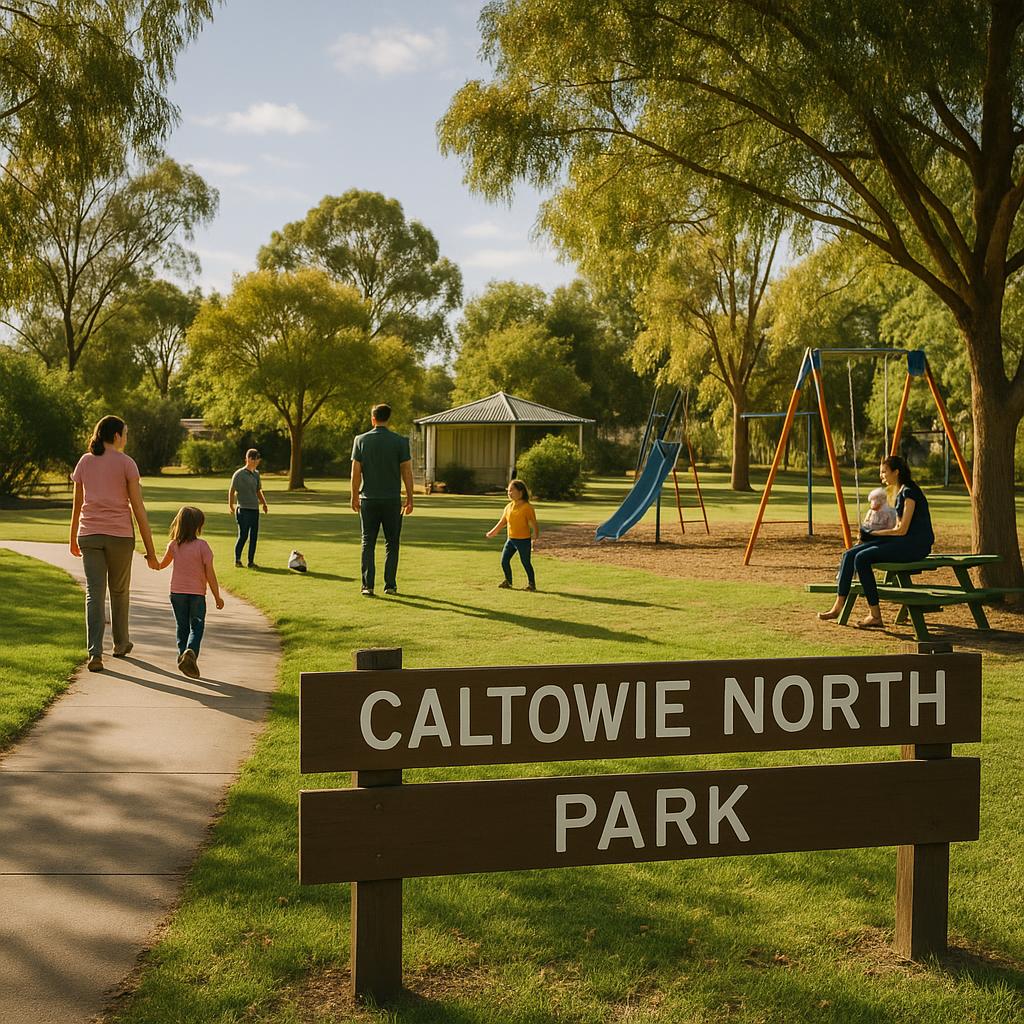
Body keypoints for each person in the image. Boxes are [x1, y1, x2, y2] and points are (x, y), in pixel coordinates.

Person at [69, 415, 159, 672]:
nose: (126, 438)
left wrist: (72, 536)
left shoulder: (85, 462)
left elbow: (77, 505)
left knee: (94, 594)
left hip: (90, 535)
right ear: (116, 436)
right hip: (120, 536)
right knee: (119, 591)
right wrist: (150, 551)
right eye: (125, 434)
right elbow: (139, 509)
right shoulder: (126, 463)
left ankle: (95, 654)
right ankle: (120, 644)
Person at [818, 455, 934, 628]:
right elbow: (897, 527)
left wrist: (873, 535)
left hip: (915, 545)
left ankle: (875, 615)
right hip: (903, 541)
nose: (882, 476)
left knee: (862, 558)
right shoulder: (900, 491)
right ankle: (837, 607)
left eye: (884, 472)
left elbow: (902, 530)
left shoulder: (910, 493)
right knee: (849, 554)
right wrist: (870, 535)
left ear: (896, 472)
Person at [350, 403, 414, 596]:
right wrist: (410, 498)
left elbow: (355, 472)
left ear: (373, 418)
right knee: (392, 543)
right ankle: (390, 585)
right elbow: (407, 472)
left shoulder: (360, 440)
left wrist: (354, 496)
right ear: (388, 419)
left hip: (368, 499)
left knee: (367, 542)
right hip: (392, 500)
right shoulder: (400, 441)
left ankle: (367, 585)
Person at [154, 505, 224, 679]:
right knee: (197, 626)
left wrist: (150, 559)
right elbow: (210, 574)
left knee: (182, 626)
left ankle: (182, 656)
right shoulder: (202, 546)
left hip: (177, 594)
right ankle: (190, 652)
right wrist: (217, 596)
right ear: (197, 526)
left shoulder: (174, 545)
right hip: (197, 595)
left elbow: (161, 565)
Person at [486, 479, 540, 591]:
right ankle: (508, 582)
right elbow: (502, 522)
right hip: (511, 540)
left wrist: (535, 536)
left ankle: (531, 584)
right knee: (504, 560)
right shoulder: (508, 507)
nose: (509, 493)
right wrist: (493, 532)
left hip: (523, 540)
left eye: (512, 490)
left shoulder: (527, 507)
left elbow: (533, 524)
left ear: (520, 492)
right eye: (508, 491)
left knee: (525, 563)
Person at [229, 449, 269, 568]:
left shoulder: (256, 474)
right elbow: (231, 490)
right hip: (243, 510)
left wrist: (264, 504)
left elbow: (258, 490)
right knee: (243, 535)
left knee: (254, 536)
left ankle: (251, 562)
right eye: (256, 459)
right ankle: (237, 560)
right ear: (250, 459)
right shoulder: (239, 474)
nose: (258, 461)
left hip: (254, 510)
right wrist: (230, 505)